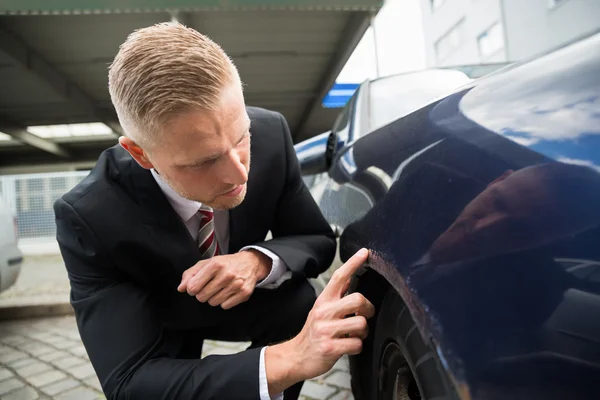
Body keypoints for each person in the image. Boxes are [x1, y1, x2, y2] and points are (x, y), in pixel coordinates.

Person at [54, 22, 375, 400]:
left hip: (245, 300)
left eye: (241, 138)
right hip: (160, 319)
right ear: (140, 154)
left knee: (300, 300)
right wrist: (291, 358)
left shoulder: (271, 134)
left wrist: (255, 261)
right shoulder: (88, 216)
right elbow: (130, 382)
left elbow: (317, 239)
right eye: (204, 161)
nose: (239, 173)